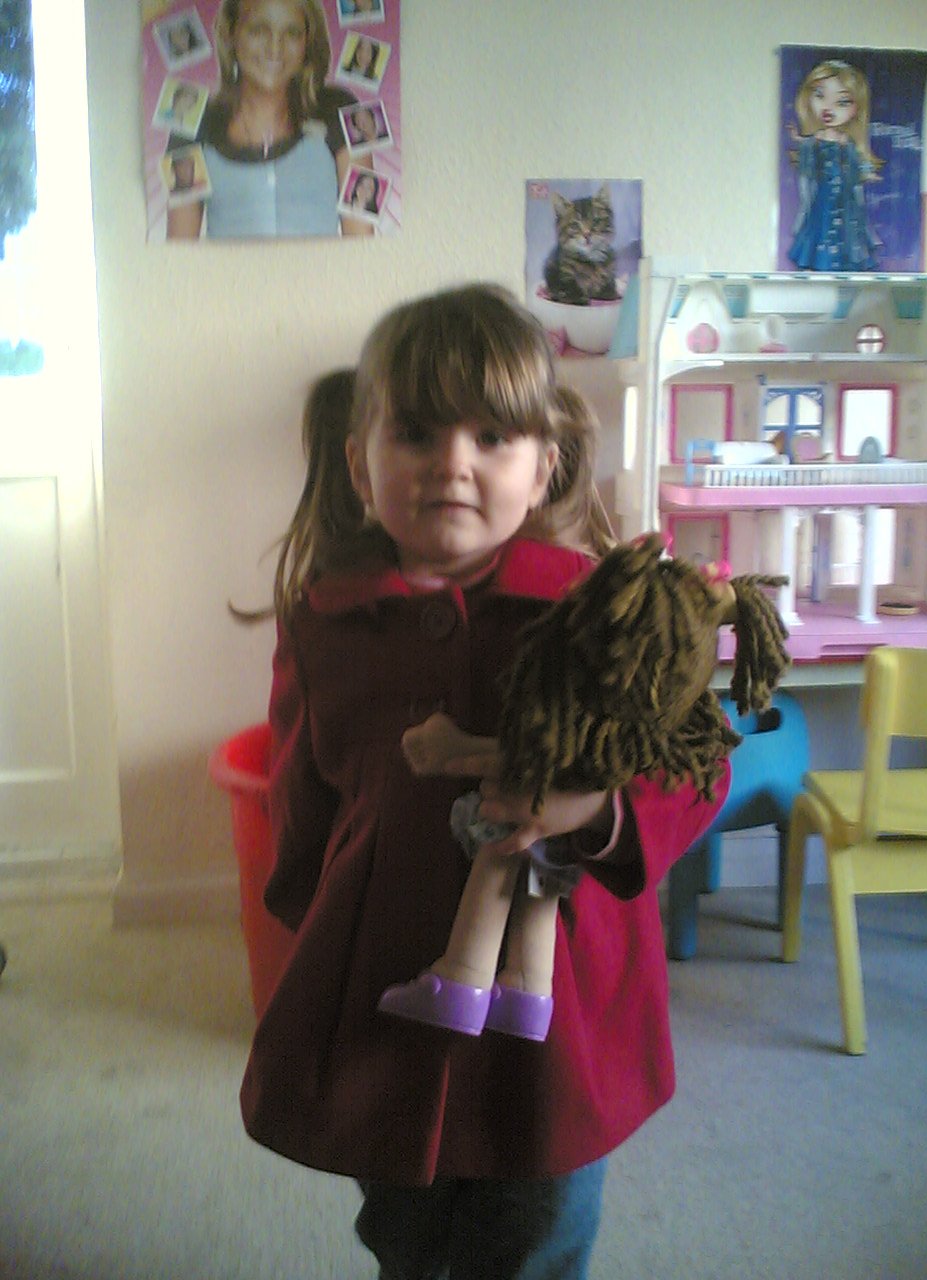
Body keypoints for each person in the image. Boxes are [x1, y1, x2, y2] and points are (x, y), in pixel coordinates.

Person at [239, 284, 730, 1280]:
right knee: (405, 1236)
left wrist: (595, 811)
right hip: (390, 994)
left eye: (492, 436)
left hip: (557, 1011)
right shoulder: (324, 624)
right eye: (416, 433)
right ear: (359, 463)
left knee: (535, 1235)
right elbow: (300, 799)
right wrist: (320, 934)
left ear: (543, 465)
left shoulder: (598, 609)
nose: (452, 461)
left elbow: (695, 763)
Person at [167, 0, 371, 239]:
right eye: (258, 30)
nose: (275, 48)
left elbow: (364, 242)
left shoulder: (342, 109)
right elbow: (179, 248)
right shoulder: (189, 125)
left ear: (307, 41)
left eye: (292, 33)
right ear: (231, 34)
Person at [787, 59, 882, 271]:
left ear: (856, 109)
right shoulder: (814, 141)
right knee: (819, 227)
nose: (828, 107)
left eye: (842, 102)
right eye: (819, 95)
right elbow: (807, 161)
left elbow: (857, 163)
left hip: (845, 199)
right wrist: (798, 140)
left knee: (847, 230)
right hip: (822, 197)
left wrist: (866, 172)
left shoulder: (847, 143)